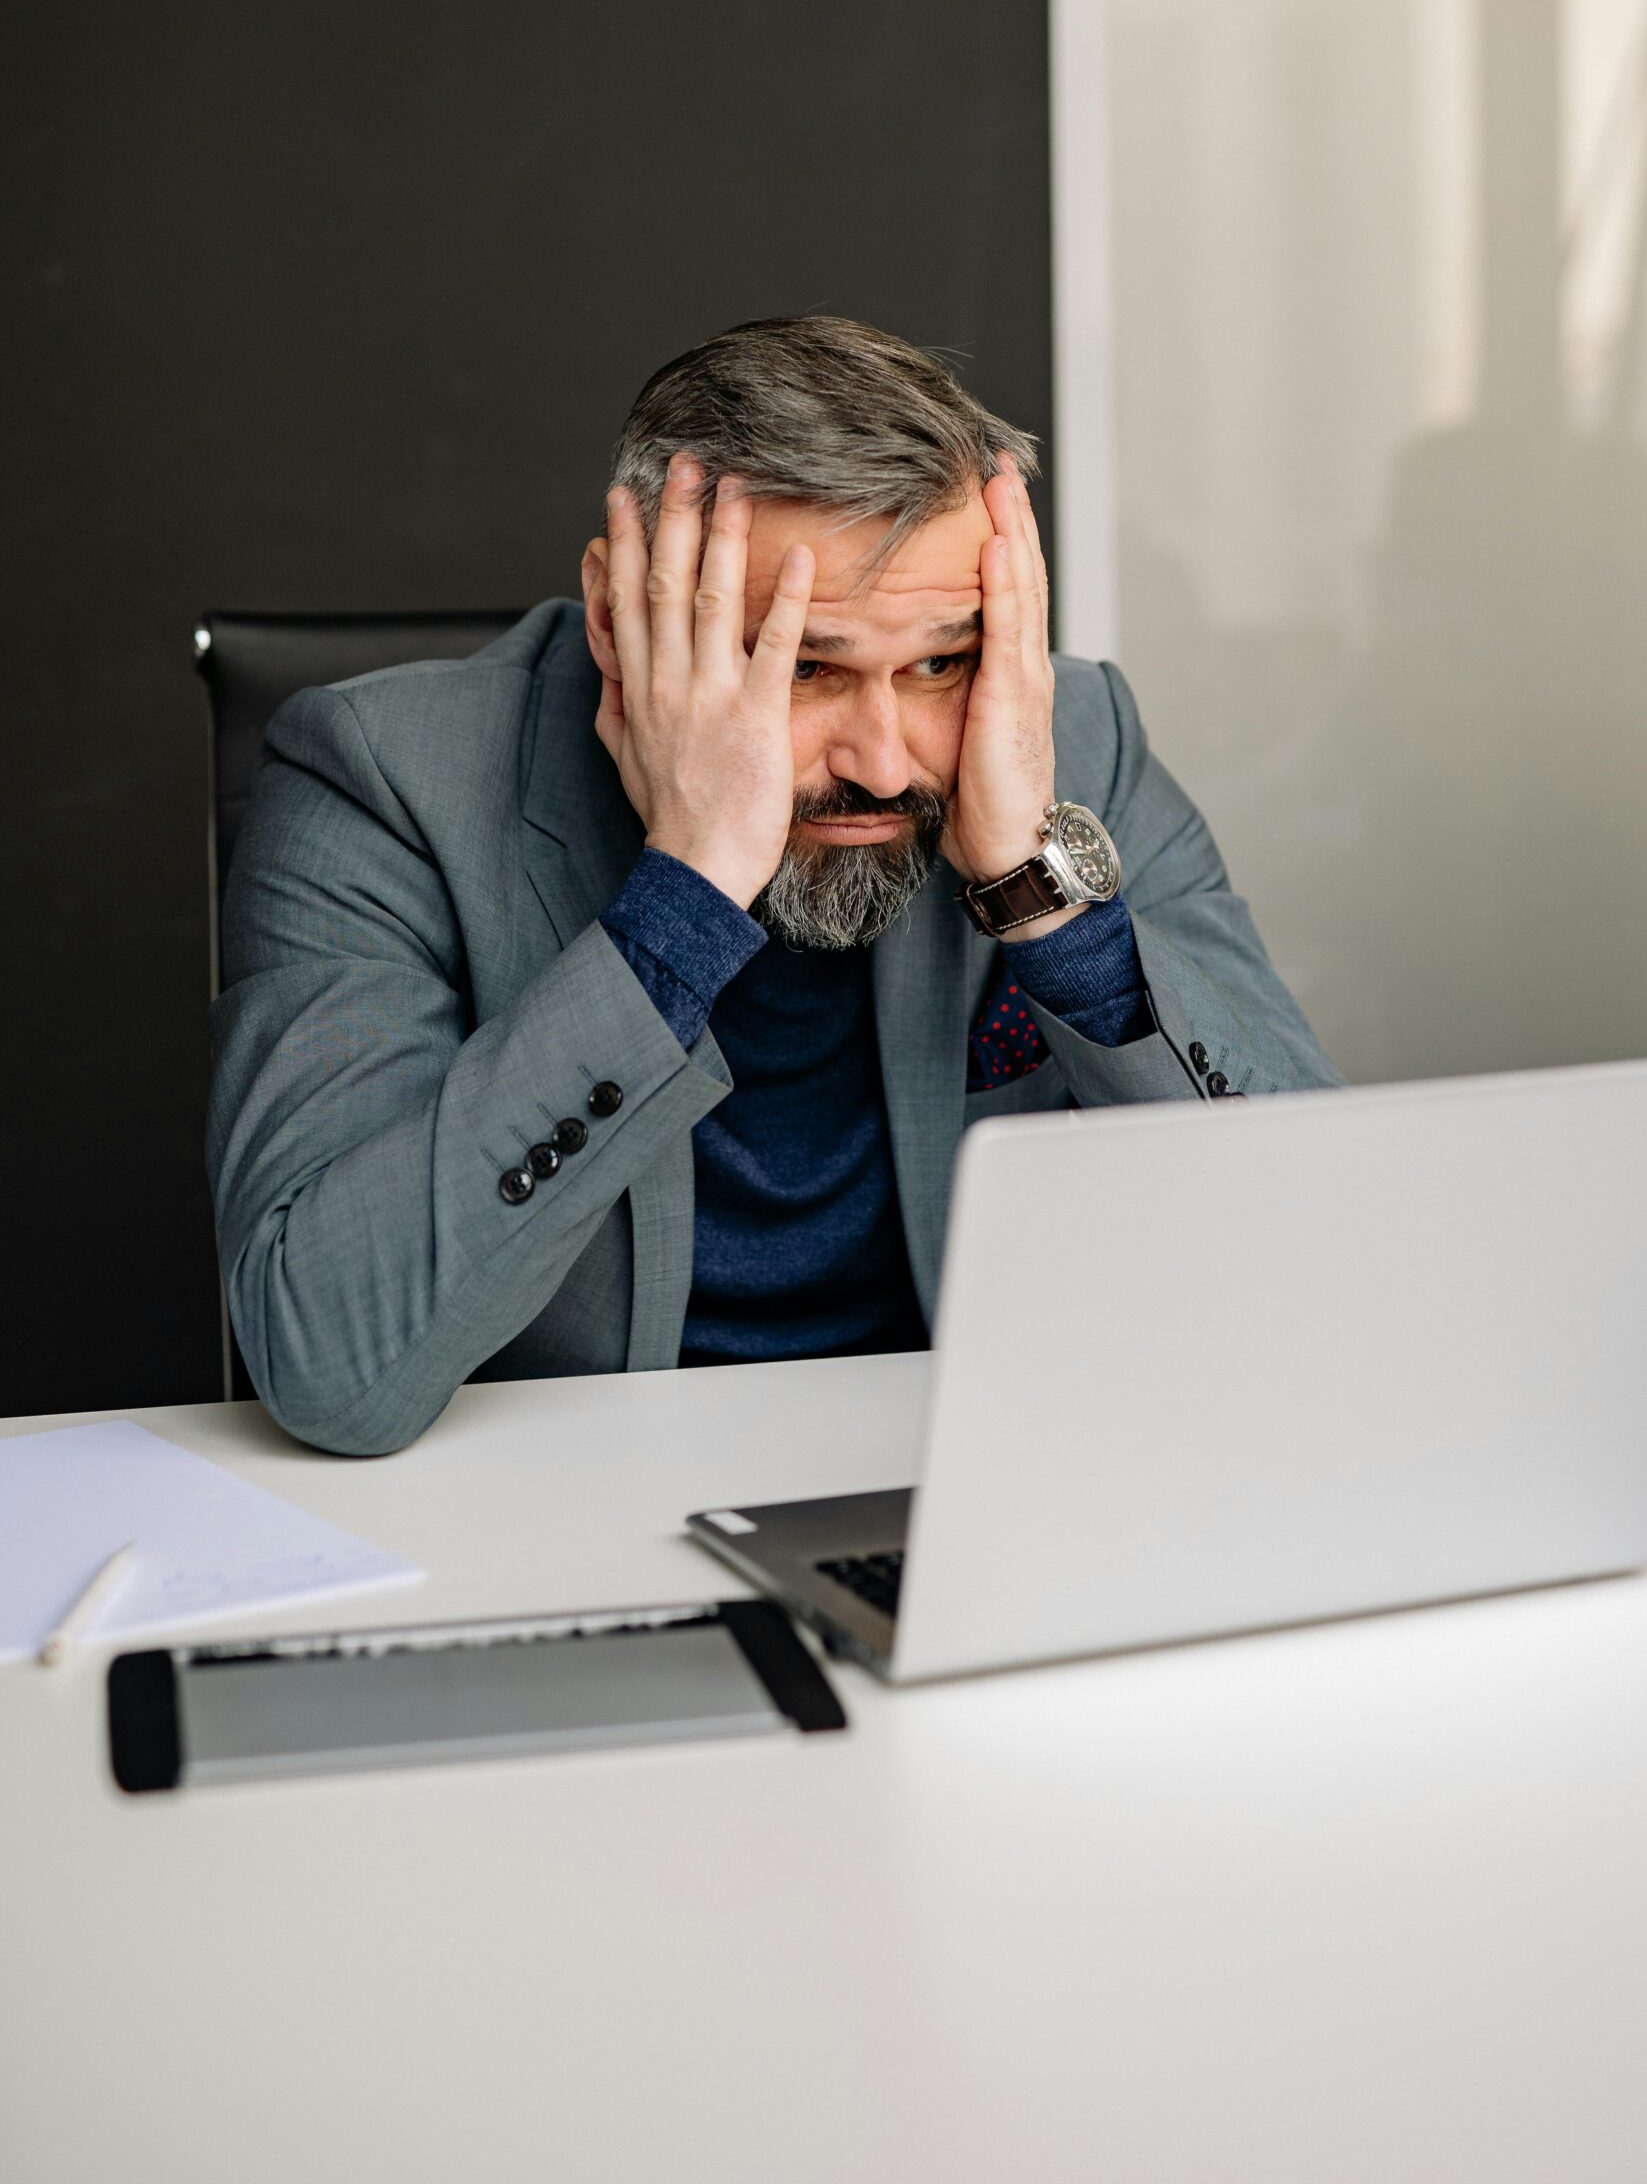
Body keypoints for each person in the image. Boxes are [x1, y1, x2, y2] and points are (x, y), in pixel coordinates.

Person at [208, 317, 1339, 1455]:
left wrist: (1037, 894)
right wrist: (684, 899)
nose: (884, 761)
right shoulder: (380, 777)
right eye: (802, 666)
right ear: (617, 614)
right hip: (568, 1513)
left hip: (979, 1491)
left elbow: (1327, 1261)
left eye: (940, 661)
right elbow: (328, 1364)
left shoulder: (1070, 739)